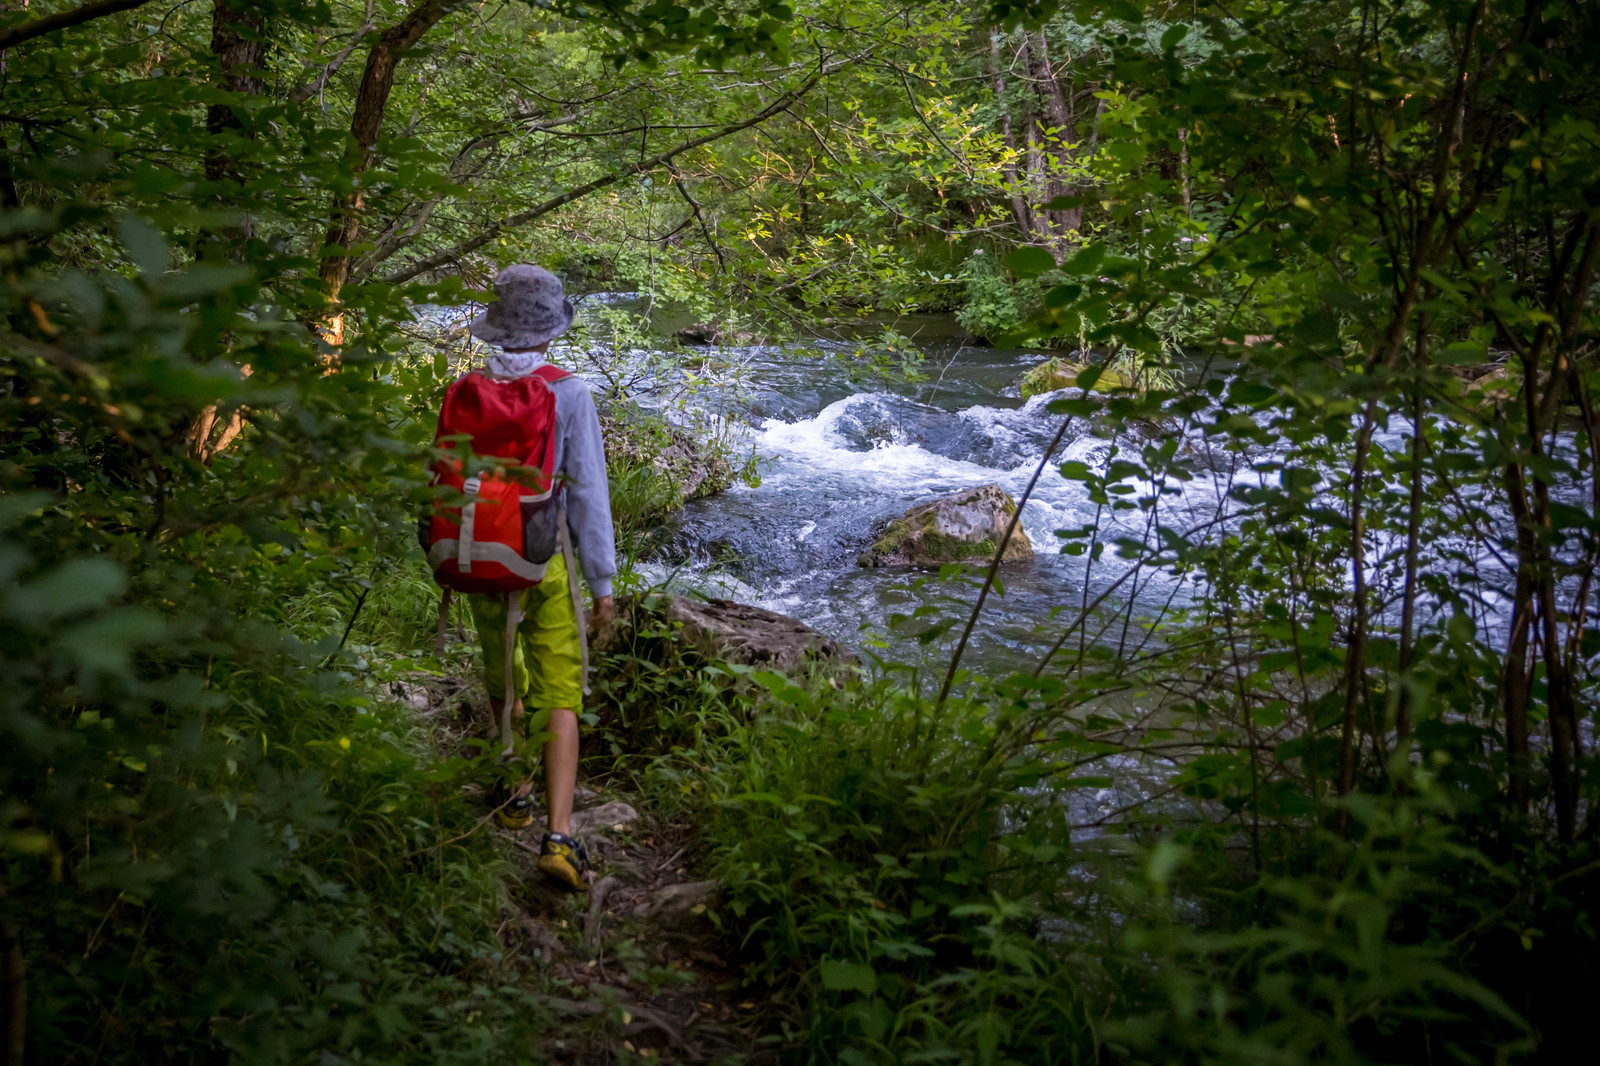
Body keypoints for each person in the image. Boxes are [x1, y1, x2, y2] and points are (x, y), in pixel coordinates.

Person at [465, 264, 616, 892]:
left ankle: (514, 792)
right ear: (552, 330)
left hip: (480, 555)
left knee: (504, 674)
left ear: (496, 327)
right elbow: (588, 495)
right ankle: (558, 837)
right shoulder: (569, 393)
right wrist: (601, 585)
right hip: (543, 560)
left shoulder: (467, 388)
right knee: (561, 692)